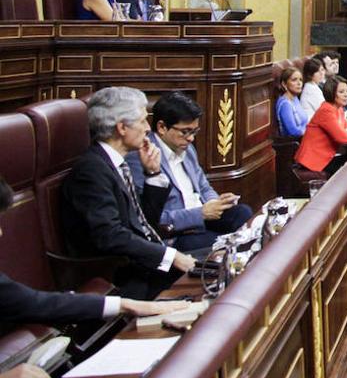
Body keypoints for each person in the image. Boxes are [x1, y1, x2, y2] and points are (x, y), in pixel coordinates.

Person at [0, 177, 191, 330]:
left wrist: (126, 305)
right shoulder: (90, 172)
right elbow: (36, 304)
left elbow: (31, 301)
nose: (1, 232)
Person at [61, 87, 197, 298]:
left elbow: (143, 222)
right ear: (122, 128)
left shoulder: (116, 164)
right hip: (121, 275)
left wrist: (153, 174)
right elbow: (110, 236)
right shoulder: (92, 171)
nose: (147, 129)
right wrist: (170, 257)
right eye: (142, 121)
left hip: (145, 262)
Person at [127, 92, 252, 253]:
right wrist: (200, 214)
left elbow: (203, 186)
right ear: (162, 127)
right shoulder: (141, 156)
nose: (191, 138)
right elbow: (149, 217)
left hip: (203, 216)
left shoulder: (187, 148)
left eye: (194, 131)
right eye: (185, 132)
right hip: (176, 231)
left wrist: (216, 203)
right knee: (227, 244)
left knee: (242, 213)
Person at [294, 76, 347, 177]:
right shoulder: (326, 110)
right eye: (341, 92)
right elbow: (343, 138)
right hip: (314, 160)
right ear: (332, 93)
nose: (346, 95)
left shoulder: (338, 109)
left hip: (326, 157)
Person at [275, 65, 311, 136]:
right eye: (294, 80)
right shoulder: (285, 104)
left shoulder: (295, 98)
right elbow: (293, 132)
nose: (299, 83)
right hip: (293, 143)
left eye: (300, 80)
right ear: (284, 84)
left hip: (305, 138)